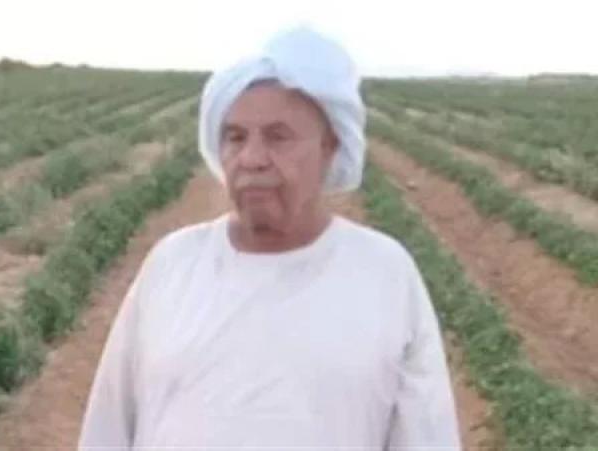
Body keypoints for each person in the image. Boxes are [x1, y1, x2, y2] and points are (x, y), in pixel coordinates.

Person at [78, 25, 461, 450]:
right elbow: (109, 425)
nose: (252, 158)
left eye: (278, 137)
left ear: (329, 147)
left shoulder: (384, 273)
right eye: (235, 137)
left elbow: (427, 436)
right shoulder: (172, 264)